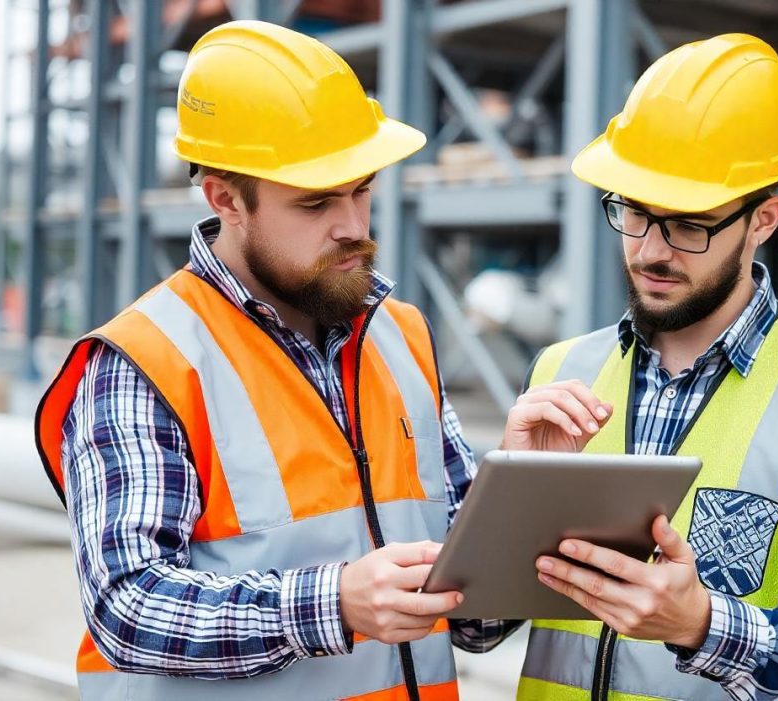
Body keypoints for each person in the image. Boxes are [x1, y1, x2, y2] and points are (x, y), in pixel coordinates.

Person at [35, 21, 517, 701]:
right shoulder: (146, 360)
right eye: (316, 202)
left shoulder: (401, 337)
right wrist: (335, 604)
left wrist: (518, 502)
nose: (352, 224)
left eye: (361, 189)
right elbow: (127, 607)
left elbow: (475, 621)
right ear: (226, 198)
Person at [502, 33, 778, 700]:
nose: (650, 251)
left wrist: (702, 623)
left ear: (763, 219)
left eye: (690, 224)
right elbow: (472, 628)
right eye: (635, 212)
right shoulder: (561, 370)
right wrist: (509, 505)